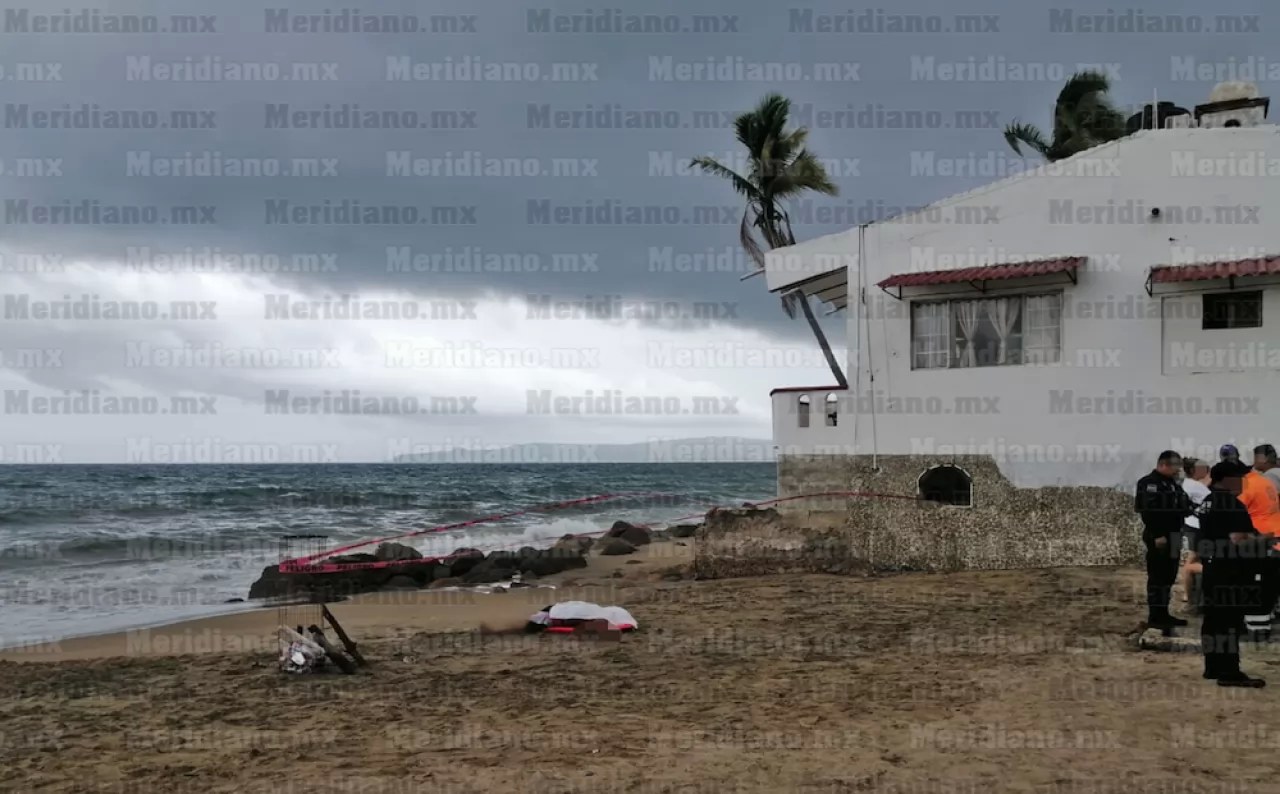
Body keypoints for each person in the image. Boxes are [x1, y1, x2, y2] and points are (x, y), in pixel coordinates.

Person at [1197, 459, 1267, 687]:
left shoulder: (1208, 501)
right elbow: (1239, 539)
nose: (1243, 482)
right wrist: (1263, 540)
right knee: (1229, 620)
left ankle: (1213, 667)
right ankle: (1229, 672)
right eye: (1239, 478)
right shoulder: (1231, 503)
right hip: (1230, 571)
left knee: (1213, 618)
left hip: (1211, 567)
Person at [1135, 450, 1191, 630]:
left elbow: (1183, 504)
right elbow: (1148, 512)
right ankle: (1155, 616)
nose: (1178, 471)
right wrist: (1158, 534)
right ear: (1164, 464)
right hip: (1159, 536)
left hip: (1174, 535)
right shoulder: (1148, 483)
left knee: (1169, 575)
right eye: (1175, 467)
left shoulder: (1172, 483)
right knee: (1158, 576)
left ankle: (1163, 613)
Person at [1177, 458, 1211, 607]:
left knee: (1191, 560)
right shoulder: (1196, 486)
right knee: (1192, 559)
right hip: (1197, 527)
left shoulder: (1188, 484)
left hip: (1190, 525)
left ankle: (1189, 593)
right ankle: (1188, 594)